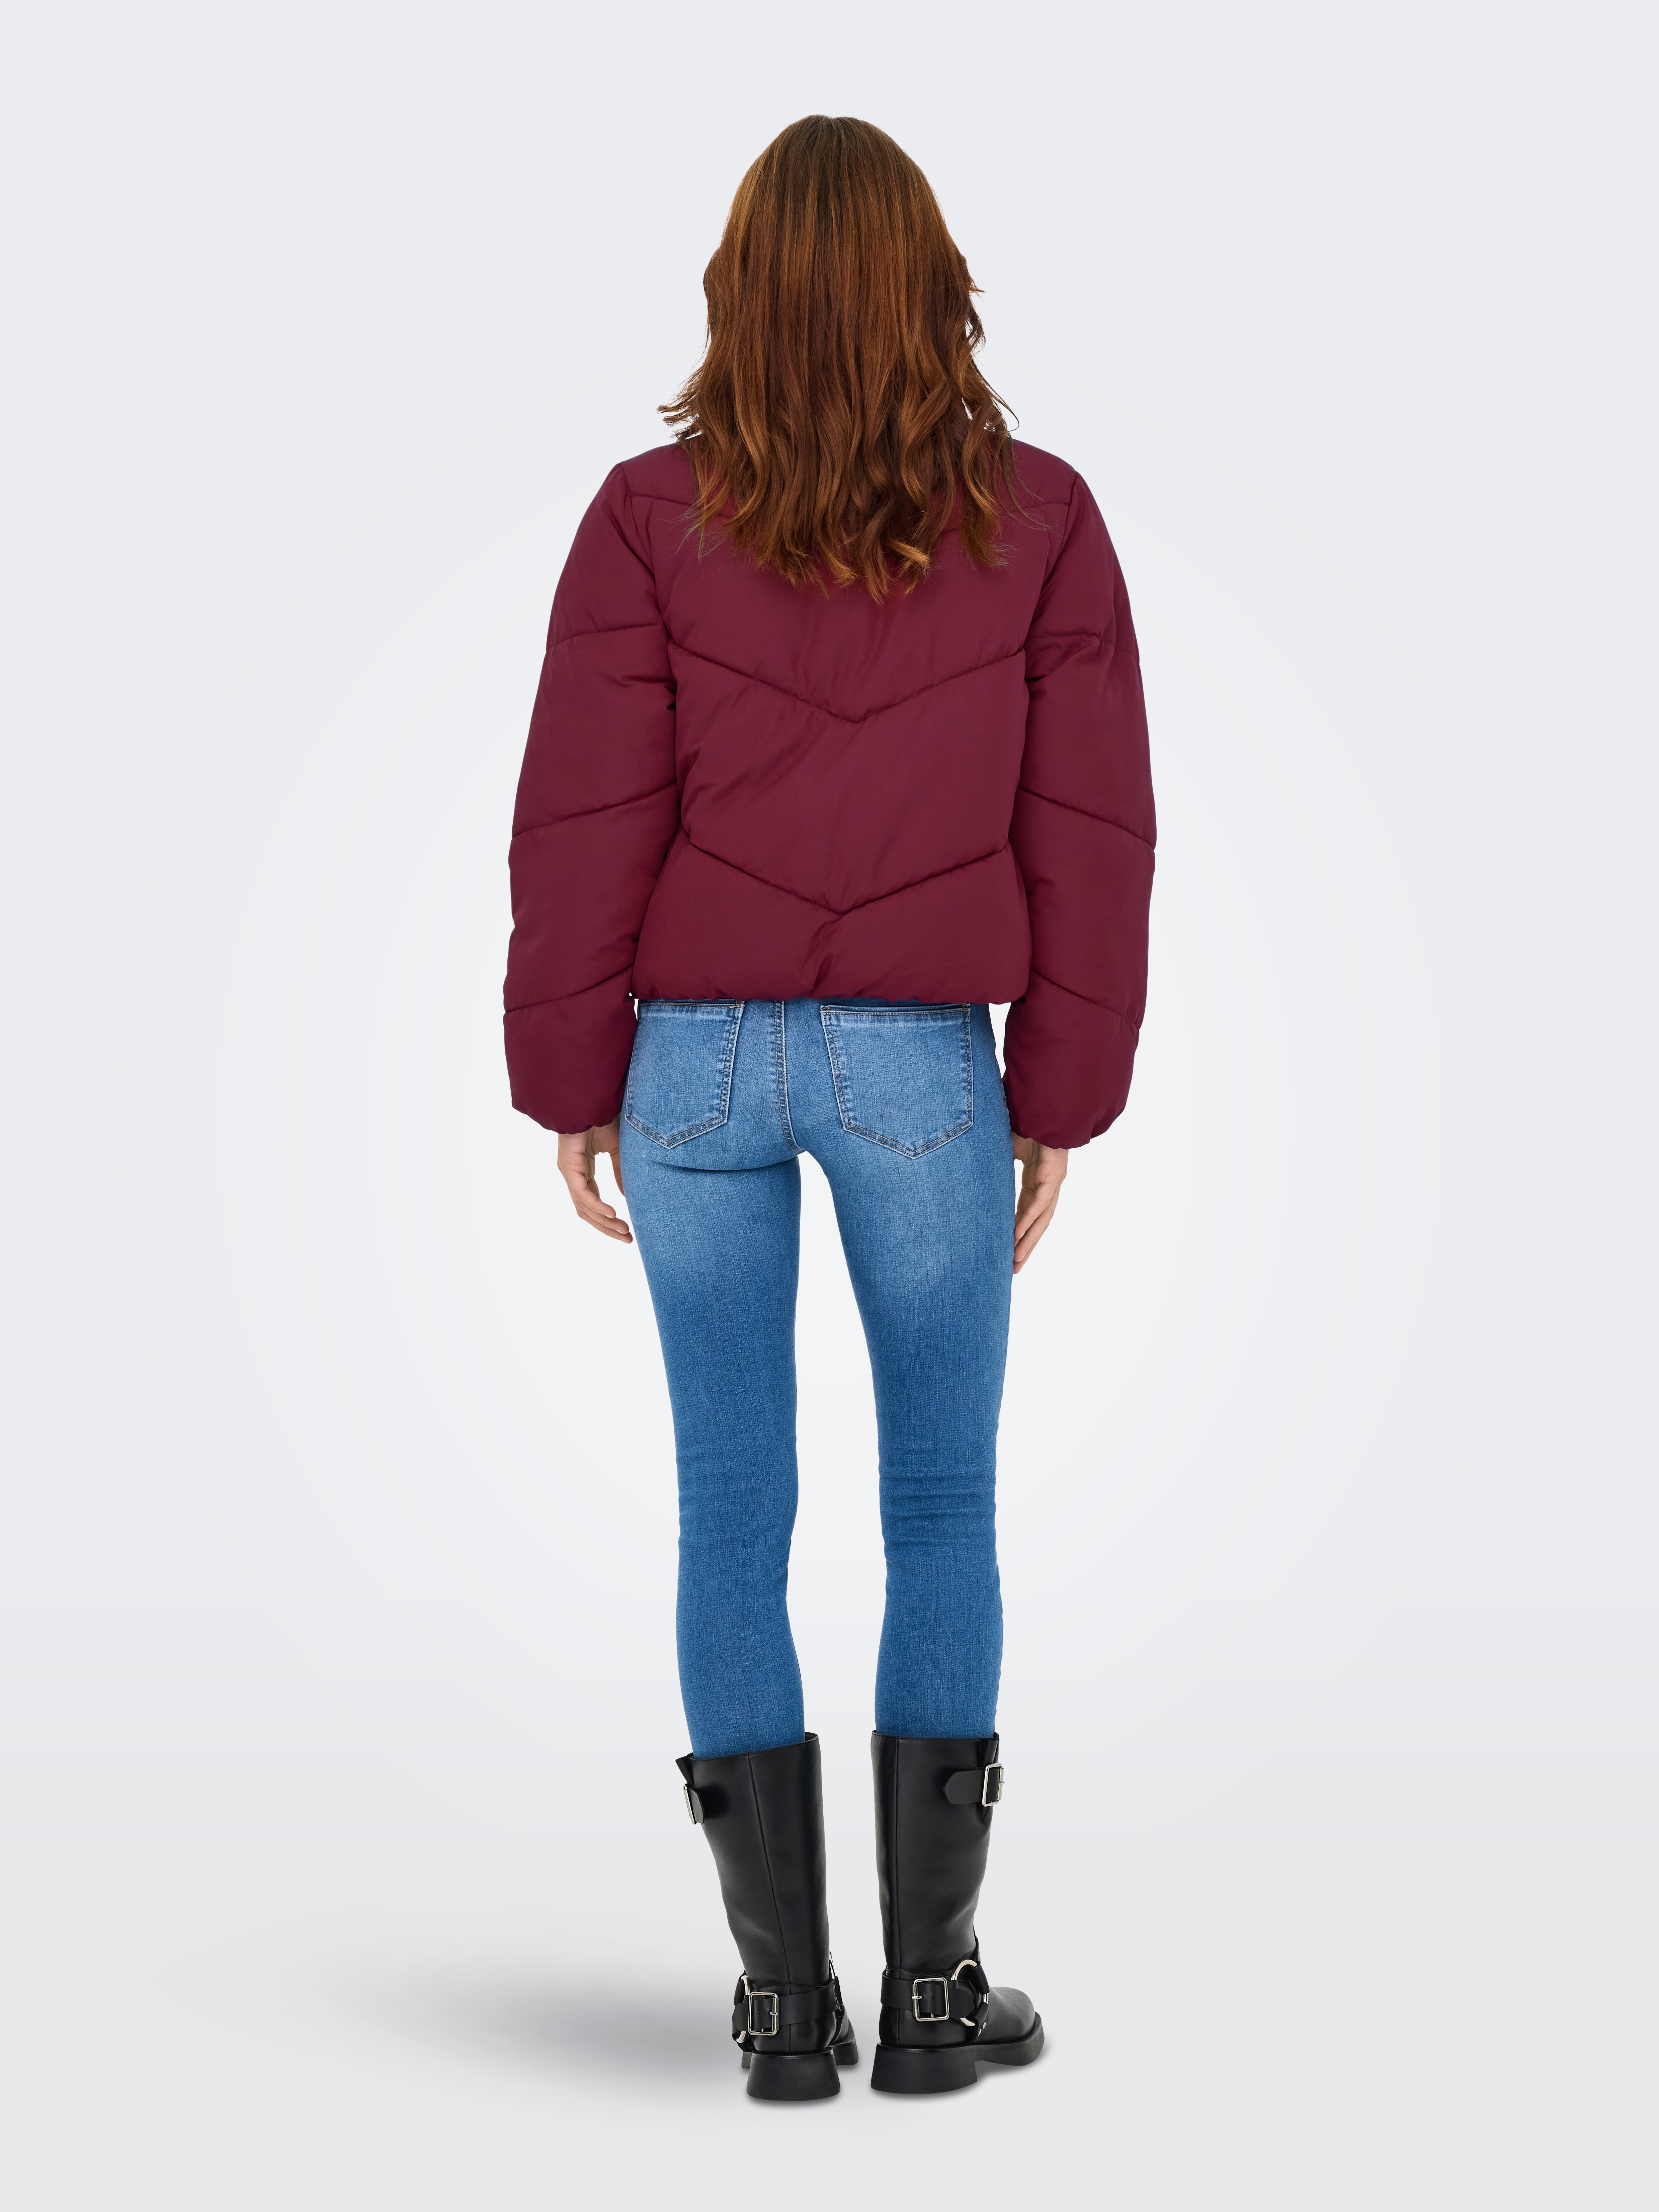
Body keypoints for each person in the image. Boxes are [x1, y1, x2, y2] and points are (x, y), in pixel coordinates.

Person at [503, 114, 1154, 2100]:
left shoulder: (645, 517)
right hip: (918, 1067)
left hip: (691, 1060)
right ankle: (933, 2004)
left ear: (739, 292)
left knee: (731, 1509)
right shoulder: (1039, 517)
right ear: (935, 291)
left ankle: (786, 2009)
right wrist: (1061, 1090)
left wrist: (571, 1074)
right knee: (942, 1505)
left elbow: (583, 811)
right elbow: (1093, 831)